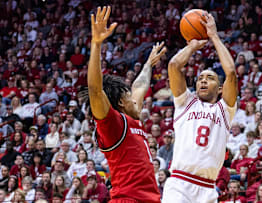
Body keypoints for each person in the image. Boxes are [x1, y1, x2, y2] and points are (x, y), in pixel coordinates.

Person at [88, 6, 165, 203]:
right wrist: (96, 45)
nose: (136, 99)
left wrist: (148, 64)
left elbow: (139, 86)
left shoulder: (132, 118)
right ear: (122, 102)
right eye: (130, 96)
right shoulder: (113, 124)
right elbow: (95, 90)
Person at [162, 11, 237, 202]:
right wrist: (193, 46)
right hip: (179, 184)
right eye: (200, 79)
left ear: (220, 88)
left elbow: (231, 73)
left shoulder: (224, 109)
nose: (203, 81)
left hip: (207, 188)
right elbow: (173, 65)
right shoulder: (185, 103)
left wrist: (213, 36)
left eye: (209, 78)